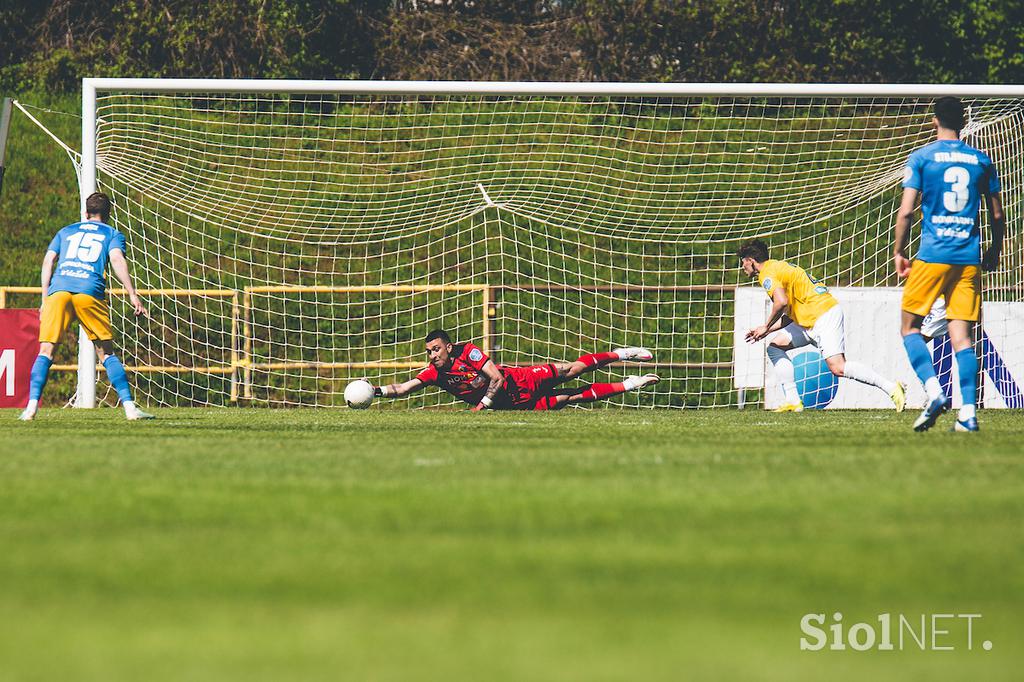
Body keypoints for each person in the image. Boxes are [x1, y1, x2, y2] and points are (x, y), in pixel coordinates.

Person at [894, 96, 1004, 432]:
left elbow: (907, 211)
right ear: (964, 121)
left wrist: (900, 251)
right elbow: (997, 214)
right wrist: (995, 251)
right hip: (968, 259)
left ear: (934, 120)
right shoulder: (981, 160)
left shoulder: (922, 158)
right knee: (962, 337)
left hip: (932, 256)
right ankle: (968, 413)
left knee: (910, 327)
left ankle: (934, 392)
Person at [20, 192, 154, 421]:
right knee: (106, 353)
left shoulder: (66, 231)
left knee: (46, 351)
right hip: (88, 291)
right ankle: (130, 409)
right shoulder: (112, 233)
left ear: (85, 213)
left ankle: (31, 408)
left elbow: (48, 260)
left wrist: (45, 297)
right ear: (108, 214)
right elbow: (117, 260)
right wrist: (132, 293)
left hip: (59, 291)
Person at [738, 239, 906, 412]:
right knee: (775, 347)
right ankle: (793, 401)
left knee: (838, 367)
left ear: (750, 260)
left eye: (743, 261)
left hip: (823, 315)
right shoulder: (777, 267)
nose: (742, 266)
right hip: (809, 319)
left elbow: (781, 302)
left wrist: (765, 326)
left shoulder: (766, 273)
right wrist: (766, 331)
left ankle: (892, 388)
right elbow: (790, 313)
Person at [372, 329, 659, 410]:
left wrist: (482, 404)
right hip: (513, 405)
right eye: (428, 352)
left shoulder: (467, 351)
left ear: (448, 347)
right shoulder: (434, 373)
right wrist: (376, 391)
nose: (432, 356)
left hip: (518, 381)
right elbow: (404, 388)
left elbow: (495, 377)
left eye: (435, 350)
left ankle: (623, 353)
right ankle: (632, 384)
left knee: (570, 370)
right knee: (570, 398)